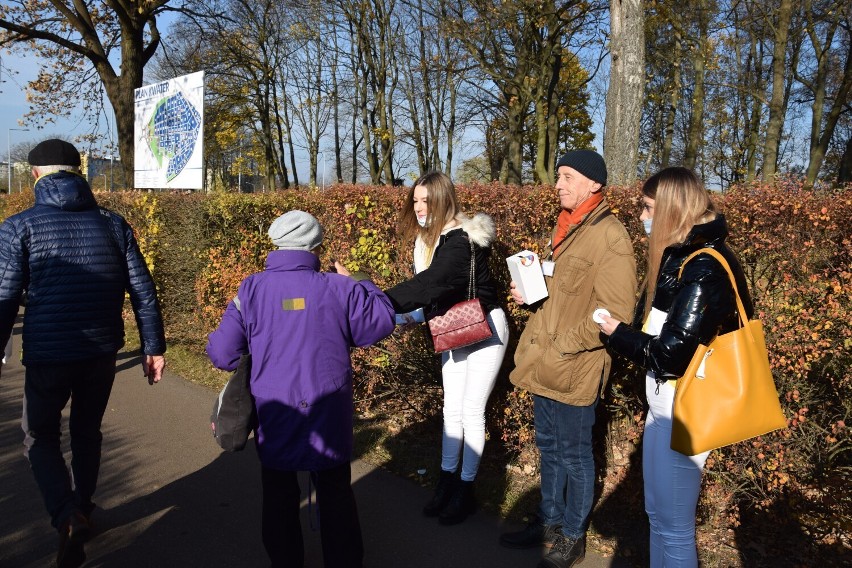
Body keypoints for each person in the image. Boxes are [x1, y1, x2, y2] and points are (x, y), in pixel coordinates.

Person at [0, 139, 166, 568]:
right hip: (100, 353)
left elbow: (4, 299)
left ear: (36, 175)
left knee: (40, 435)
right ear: (79, 173)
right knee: (88, 431)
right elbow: (143, 292)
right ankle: (85, 507)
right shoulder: (114, 224)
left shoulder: (19, 227)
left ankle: (66, 514)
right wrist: (154, 348)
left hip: (48, 354)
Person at [206, 210, 395, 568]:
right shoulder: (339, 287)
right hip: (329, 409)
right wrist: (360, 279)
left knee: (278, 493)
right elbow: (381, 322)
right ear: (317, 245)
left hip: (275, 409)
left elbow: (222, 353)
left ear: (275, 243)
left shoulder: (251, 288)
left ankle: (285, 560)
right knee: (335, 491)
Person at [598, 167, 753, 567]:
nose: (642, 217)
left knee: (675, 527)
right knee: (659, 517)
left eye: (648, 208)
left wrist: (617, 333)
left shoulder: (704, 267)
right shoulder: (681, 257)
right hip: (665, 407)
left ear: (670, 209)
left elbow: (670, 354)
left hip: (685, 408)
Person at [340, 171, 509, 526]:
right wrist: (379, 306)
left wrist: (367, 297)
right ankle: (446, 480)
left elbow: (430, 284)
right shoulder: (427, 242)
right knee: (452, 410)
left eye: (426, 200)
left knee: (471, 411)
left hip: (485, 328)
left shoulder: (462, 241)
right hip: (454, 328)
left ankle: (465, 488)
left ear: (444, 200)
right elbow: (426, 300)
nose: (419, 207)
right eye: (415, 200)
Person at [499, 150, 637, 568]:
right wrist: (531, 294)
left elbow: (614, 314)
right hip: (545, 363)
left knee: (575, 456)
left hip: (575, 365)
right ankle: (549, 522)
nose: (557, 184)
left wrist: (563, 343)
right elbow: (565, 295)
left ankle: (573, 536)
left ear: (594, 183)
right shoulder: (565, 229)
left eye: (567, 176)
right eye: (558, 176)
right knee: (549, 448)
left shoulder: (610, 236)